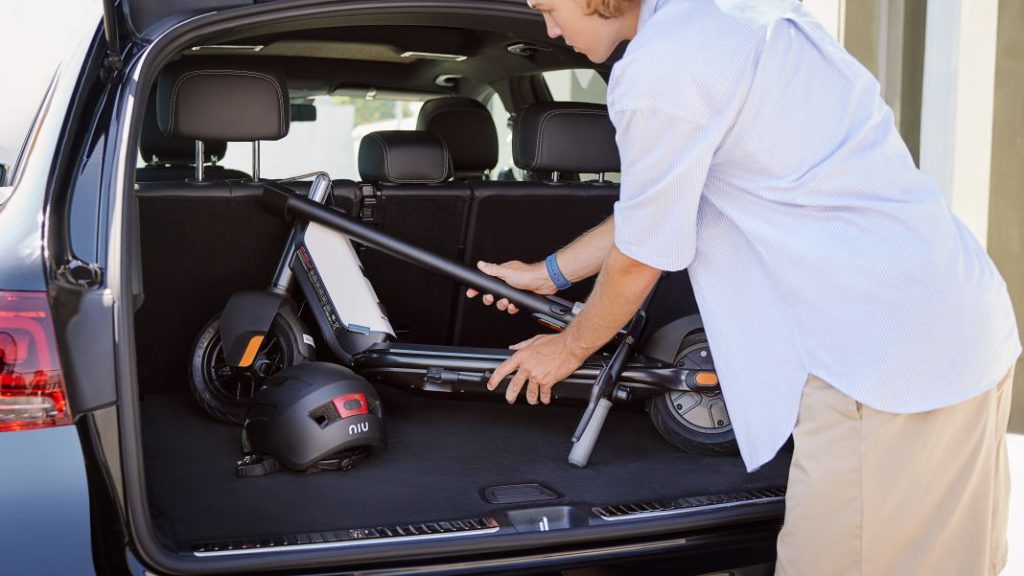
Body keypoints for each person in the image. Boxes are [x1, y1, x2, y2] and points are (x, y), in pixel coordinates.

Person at [466, 0, 1022, 574]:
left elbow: (642, 255)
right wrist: (545, 275)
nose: (551, 30)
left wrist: (569, 348)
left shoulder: (664, 65)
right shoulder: (734, 13)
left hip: (882, 360)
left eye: (552, 9)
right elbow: (653, 209)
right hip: (960, 320)